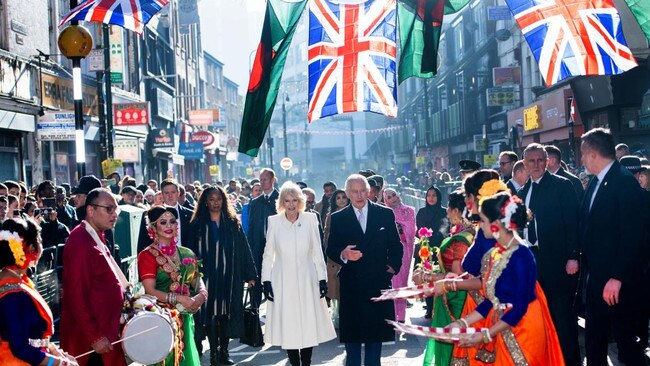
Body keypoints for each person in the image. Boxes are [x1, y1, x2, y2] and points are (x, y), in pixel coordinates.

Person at [445, 191, 565, 365]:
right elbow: (493, 300)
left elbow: (519, 308)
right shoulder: (498, 252)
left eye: (483, 221)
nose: (480, 226)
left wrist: (485, 335)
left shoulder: (522, 255)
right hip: (505, 326)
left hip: (524, 329)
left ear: (495, 225)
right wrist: (461, 323)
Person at [579, 128, 647, 365]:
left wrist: (617, 276)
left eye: (583, 154)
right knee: (594, 342)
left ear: (593, 153)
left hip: (618, 284)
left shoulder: (624, 182)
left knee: (626, 344)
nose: (582, 160)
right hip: (596, 280)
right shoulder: (596, 183)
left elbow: (634, 236)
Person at [326, 174, 403, 366]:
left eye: (362, 191)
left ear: (368, 192)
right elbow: (331, 248)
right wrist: (344, 253)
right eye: (355, 191)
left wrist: (392, 267)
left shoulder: (384, 213)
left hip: (377, 281)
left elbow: (396, 245)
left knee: (374, 341)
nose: (359, 195)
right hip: (352, 285)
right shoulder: (338, 218)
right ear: (347, 193)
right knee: (352, 342)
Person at [518, 143, 581, 365]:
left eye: (540, 160)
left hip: (559, 263)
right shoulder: (522, 191)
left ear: (547, 161)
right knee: (539, 319)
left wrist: (573, 256)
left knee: (563, 319)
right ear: (524, 164)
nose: (536, 165)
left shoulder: (561, 186)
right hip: (532, 264)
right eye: (531, 161)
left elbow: (573, 222)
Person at [262, 182, 336, 366]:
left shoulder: (311, 219)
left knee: (308, 323)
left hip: (307, 279)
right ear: (282, 202)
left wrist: (322, 279)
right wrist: (266, 281)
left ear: (300, 201)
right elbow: (268, 254)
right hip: (282, 280)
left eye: (295, 200)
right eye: (287, 201)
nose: (291, 204)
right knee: (289, 324)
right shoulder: (274, 221)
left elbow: (318, 252)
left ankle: (307, 362)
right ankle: (294, 363)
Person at [60, 188, 128, 366]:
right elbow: (75, 295)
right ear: (91, 210)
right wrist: (95, 336)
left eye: (116, 209)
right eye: (109, 209)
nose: (114, 214)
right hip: (90, 341)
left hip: (106, 331)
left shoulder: (96, 234)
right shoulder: (80, 241)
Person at [191, 186, 257, 366]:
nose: (215, 203)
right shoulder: (197, 223)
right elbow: (190, 253)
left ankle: (224, 351)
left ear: (224, 200)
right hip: (207, 278)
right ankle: (213, 353)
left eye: (218, 199)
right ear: (205, 201)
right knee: (211, 315)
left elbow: (244, 248)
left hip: (230, 277)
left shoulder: (232, 222)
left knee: (225, 315)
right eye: (211, 199)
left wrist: (250, 275)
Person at [0, 218, 79, 365]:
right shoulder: (14, 294)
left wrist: (53, 350)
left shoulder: (15, 281)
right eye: (39, 240)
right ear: (30, 248)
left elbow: (32, 336)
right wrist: (59, 363)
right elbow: (20, 347)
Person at [137, 206, 207, 366]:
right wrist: (179, 298)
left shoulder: (187, 253)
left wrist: (202, 295)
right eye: (163, 222)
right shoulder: (147, 255)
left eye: (172, 222)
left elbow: (197, 280)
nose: (169, 226)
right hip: (161, 319)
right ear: (153, 227)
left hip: (185, 316)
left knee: (187, 357)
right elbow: (150, 290)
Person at [414, 190, 474, 366]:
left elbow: (456, 275)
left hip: (455, 300)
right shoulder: (468, 232)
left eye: (449, 208)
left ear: (456, 211)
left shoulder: (461, 240)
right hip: (455, 295)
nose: (446, 212)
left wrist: (426, 276)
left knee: (452, 350)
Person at [382, 188, 416, 323]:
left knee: (401, 282)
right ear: (385, 201)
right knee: (391, 282)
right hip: (389, 251)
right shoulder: (384, 212)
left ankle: (400, 317)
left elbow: (411, 230)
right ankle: (391, 315)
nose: (393, 198)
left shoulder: (410, 210)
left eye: (394, 195)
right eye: (389, 197)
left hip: (405, 250)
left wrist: (399, 224)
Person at [247, 168, 279, 306]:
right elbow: (252, 227)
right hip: (258, 248)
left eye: (265, 179)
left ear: (272, 180)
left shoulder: (281, 198)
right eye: (260, 180)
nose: (262, 182)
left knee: (276, 281)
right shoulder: (254, 203)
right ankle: (254, 315)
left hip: (277, 247)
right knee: (257, 283)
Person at [415, 185, 447, 319]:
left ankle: (438, 307)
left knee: (439, 278)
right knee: (426, 278)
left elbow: (446, 229)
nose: (431, 198)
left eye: (434, 195)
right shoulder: (422, 212)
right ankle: (429, 308)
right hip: (425, 249)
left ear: (438, 197)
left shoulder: (444, 212)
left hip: (439, 249)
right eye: (429, 195)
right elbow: (418, 231)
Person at [138, 179, 195, 253]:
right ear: (162, 194)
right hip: (158, 260)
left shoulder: (191, 215)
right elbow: (142, 242)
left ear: (178, 193)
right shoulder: (149, 214)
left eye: (173, 192)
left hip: (186, 261)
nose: (170, 196)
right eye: (167, 193)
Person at [323, 189, 349, 328]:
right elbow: (327, 236)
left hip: (351, 256)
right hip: (334, 258)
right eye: (338, 198)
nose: (341, 200)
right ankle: (337, 318)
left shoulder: (354, 213)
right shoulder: (331, 216)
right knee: (335, 291)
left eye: (344, 197)